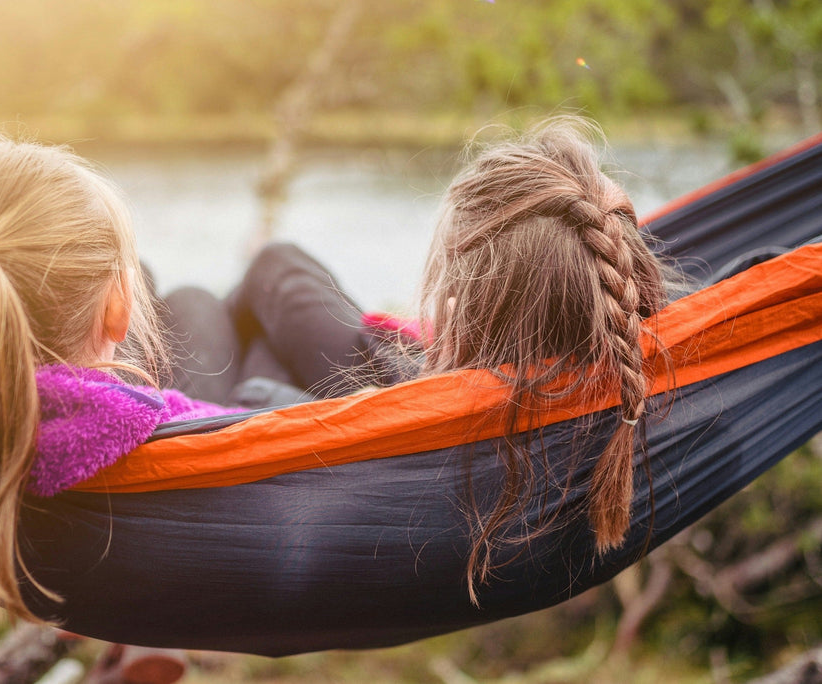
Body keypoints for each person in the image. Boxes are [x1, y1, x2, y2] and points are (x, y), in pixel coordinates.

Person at [191, 115, 679, 600]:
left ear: (452, 316)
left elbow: (260, 398)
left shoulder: (424, 453)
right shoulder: (656, 378)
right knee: (261, 298)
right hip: (440, 387)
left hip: (401, 408)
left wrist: (437, 362)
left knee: (211, 299)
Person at [0, 131, 242, 623]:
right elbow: (266, 428)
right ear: (119, 310)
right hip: (235, 442)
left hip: (93, 562)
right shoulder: (161, 422)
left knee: (170, 287)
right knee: (252, 280)